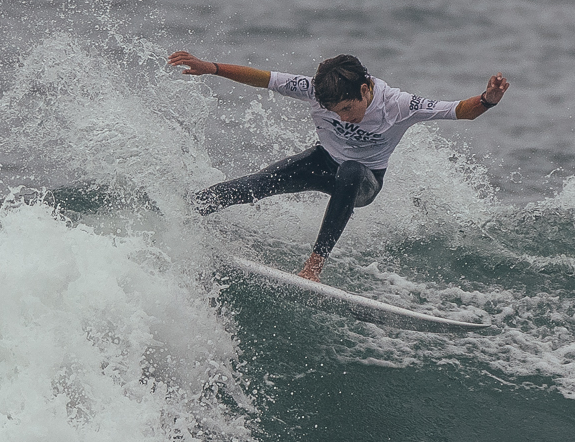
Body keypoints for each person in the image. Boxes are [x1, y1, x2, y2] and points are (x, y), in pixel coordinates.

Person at [168, 50, 511, 281]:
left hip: (364, 180)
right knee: (256, 183)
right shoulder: (316, 90)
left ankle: (313, 267)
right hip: (323, 162)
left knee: (350, 170)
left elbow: (458, 110)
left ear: (365, 90)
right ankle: (178, 213)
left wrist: (487, 100)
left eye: (347, 109)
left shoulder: (399, 105)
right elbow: (264, 78)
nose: (343, 118)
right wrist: (212, 68)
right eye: (334, 112)